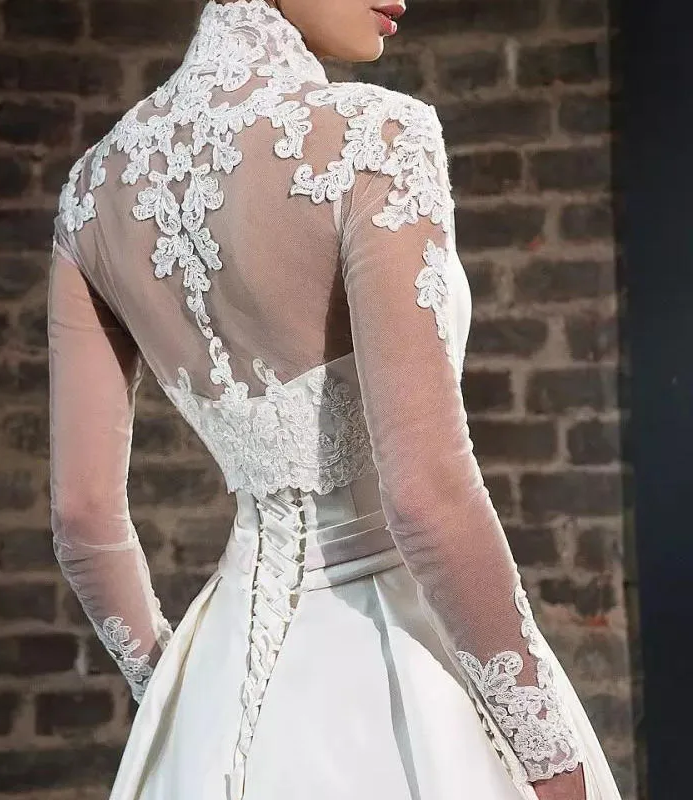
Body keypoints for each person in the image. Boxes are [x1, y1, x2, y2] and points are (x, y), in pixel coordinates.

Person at [47, 2, 624, 799]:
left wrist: (172, 702)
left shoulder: (92, 191)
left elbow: (82, 517)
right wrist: (551, 764)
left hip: (218, 678)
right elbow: (424, 496)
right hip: (395, 670)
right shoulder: (374, 137)